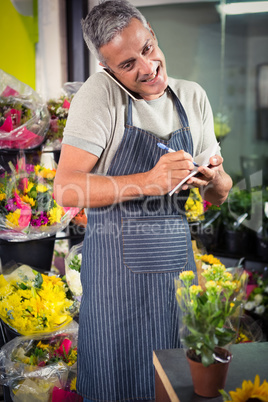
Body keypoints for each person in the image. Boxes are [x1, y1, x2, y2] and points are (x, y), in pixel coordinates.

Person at [54, 1, 232, 401]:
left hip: (178, 274)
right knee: (120, 383)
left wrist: (215, 177)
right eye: (128, 64)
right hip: (116, 280)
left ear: (151, 31)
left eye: (148, 48)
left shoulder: (192, 96)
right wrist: (149, 182)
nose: (148, 68)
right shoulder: (99, 96)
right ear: (107, 69)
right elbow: (65, 188)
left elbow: (219, 195)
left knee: (177, 384)